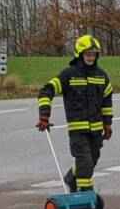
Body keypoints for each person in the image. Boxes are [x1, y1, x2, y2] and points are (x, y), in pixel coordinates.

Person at [35, 34, 114, 192]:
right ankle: (85, 191)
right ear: (79, 54)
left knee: (92, 160)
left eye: (93, 54)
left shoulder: (101, 76)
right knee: (84, 160)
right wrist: (44, 115)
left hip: (96, 129)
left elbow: (107, 102)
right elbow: (46, 91)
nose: (91, 58)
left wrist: (107, 123)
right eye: (88, 54)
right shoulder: (69, 75)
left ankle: (71, 177)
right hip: (78, 130)